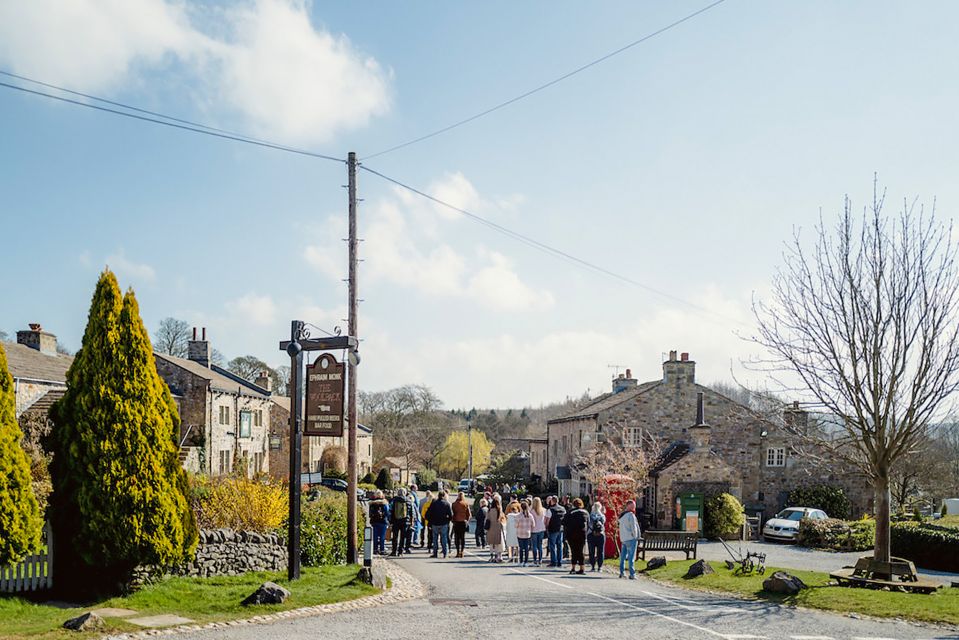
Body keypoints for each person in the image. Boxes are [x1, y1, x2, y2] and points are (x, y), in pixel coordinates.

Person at [563, 498, 589, 575]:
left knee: (573, 551)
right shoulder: (586, 512)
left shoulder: (570, 512)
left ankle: (573, 568)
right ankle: (582, 568)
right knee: (580, 551)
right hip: (582, 534)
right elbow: (589, 523)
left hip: (571, 534)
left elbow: (564, 522)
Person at [426, 490, 453, 558]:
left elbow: (428, 514)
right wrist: (447, 520)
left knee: (435, 539)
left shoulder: (433, 503)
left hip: (435, 523)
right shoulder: (446, 504)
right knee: (444, 538)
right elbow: (450, 515)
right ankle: (445, 553)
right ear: (444, 496)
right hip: (444, 523)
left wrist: (430, 522)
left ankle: (435, 553)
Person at [618, 500, 641, 579]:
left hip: (623, 538)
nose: (634, 507)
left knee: (623, 557)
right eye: (633, 506)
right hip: (631, 538)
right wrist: (635, 536)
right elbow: (633, 527)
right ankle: (632, 574)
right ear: (629, 506)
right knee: (631, 557)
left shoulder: (621, 516)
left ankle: (622, 572)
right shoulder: (631, 515)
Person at [544, 496, 566, 567]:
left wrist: (546, 527)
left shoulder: (550, 510)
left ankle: (553, 561)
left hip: (552, 529)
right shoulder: (563, 509)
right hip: (560, 529)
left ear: (552, 501)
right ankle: (560, 561)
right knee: (559, 545)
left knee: (552, 546)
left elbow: (547, 521)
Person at [389, 488, 412, 556]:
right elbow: (411, 512)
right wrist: (411, 521)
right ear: (405, 493)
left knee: (395, 537)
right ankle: (400, 551)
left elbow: (390, 511)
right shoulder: (408, 500)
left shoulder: (394, 500)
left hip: (395, 521)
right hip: (405, 521)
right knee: (403, 537)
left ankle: (394, 551)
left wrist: (390, 521)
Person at [485, 496, 507, 563]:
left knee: (492, 543)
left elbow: (487, 519)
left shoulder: (489, 510)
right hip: (498, 528)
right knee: (499, 543)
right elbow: (503, 519)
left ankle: (492, 556)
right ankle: (498, 556)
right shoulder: (499, 510)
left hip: (490, 528)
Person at [368, 490, 390, 555]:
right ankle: (382, 550)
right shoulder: (384, 503)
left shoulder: (372, 503)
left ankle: (375, 549)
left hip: (374, 521)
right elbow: (387, 512)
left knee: (375, 536)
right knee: (382, 537)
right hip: (383, 521)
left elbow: (370, 514)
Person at [451, 491, 472, 557]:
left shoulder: (454, 504)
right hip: (463, 522)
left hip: (456, 522)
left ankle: (457, 551)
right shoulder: (465, 504)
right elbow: (469, 514)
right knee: (462, 537)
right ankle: (462, 551)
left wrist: (453, 520)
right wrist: (467, 520)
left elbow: (452, 514)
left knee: (457, 537)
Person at [587, 501, 607, 571]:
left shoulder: (590, 516)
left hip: (591, 534)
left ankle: (592, 566)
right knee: (600, 551)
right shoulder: (602, 516)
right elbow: (604, 523)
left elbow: (589, 525)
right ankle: (600, 567)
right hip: (601, 534)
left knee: (591, 551)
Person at [515, 500, 534, 566]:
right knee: (526, 548)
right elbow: (533, 525)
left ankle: (521, 561)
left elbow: (516, 525)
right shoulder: (530, 515)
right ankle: (526, 561)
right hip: (527, 533)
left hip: (520, 533)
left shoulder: (518, 516)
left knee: (521, 548)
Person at [529, 496, 547, 566]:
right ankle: (540, 559)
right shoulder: (544, 510)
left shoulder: (531, 511)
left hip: (534, 529)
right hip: (542, 529)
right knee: (540, 545)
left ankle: (534, 559)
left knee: (534, 545)